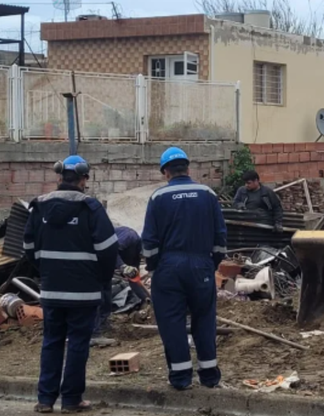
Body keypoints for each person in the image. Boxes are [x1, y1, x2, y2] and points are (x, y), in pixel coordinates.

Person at [24, 155, 118, 413]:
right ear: (84, 179)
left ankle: (45, 400)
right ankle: (71, 400)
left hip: (52, 290)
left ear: (60, 177)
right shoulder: (91, 207)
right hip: (84, 292)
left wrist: (46, 271)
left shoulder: (40, 207)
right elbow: (108, 250)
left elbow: (28, 248)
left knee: (51, 342)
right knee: (77, 343)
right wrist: (102, 279)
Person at [141, 147, 227, 390]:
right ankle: (209, 376)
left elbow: (149, 241)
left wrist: (155, 267)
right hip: (201, 265)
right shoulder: (207, 194)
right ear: (188, 169)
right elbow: (220, 236)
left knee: (172, 323)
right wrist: (212, 264)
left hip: (169, 268)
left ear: (165, 172)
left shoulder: (158, 198)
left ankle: (180, 378)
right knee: (205, 319)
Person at [91, 226, 147, 346]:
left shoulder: (136, 254)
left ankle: (103, 325)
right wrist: (122, 266)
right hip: (94, 264)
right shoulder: (129, 236)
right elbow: (111, 250)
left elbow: (134, 279)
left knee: (106, 297)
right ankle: (93, 334)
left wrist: (145, 298)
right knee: (97, 298)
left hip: (105, 271)